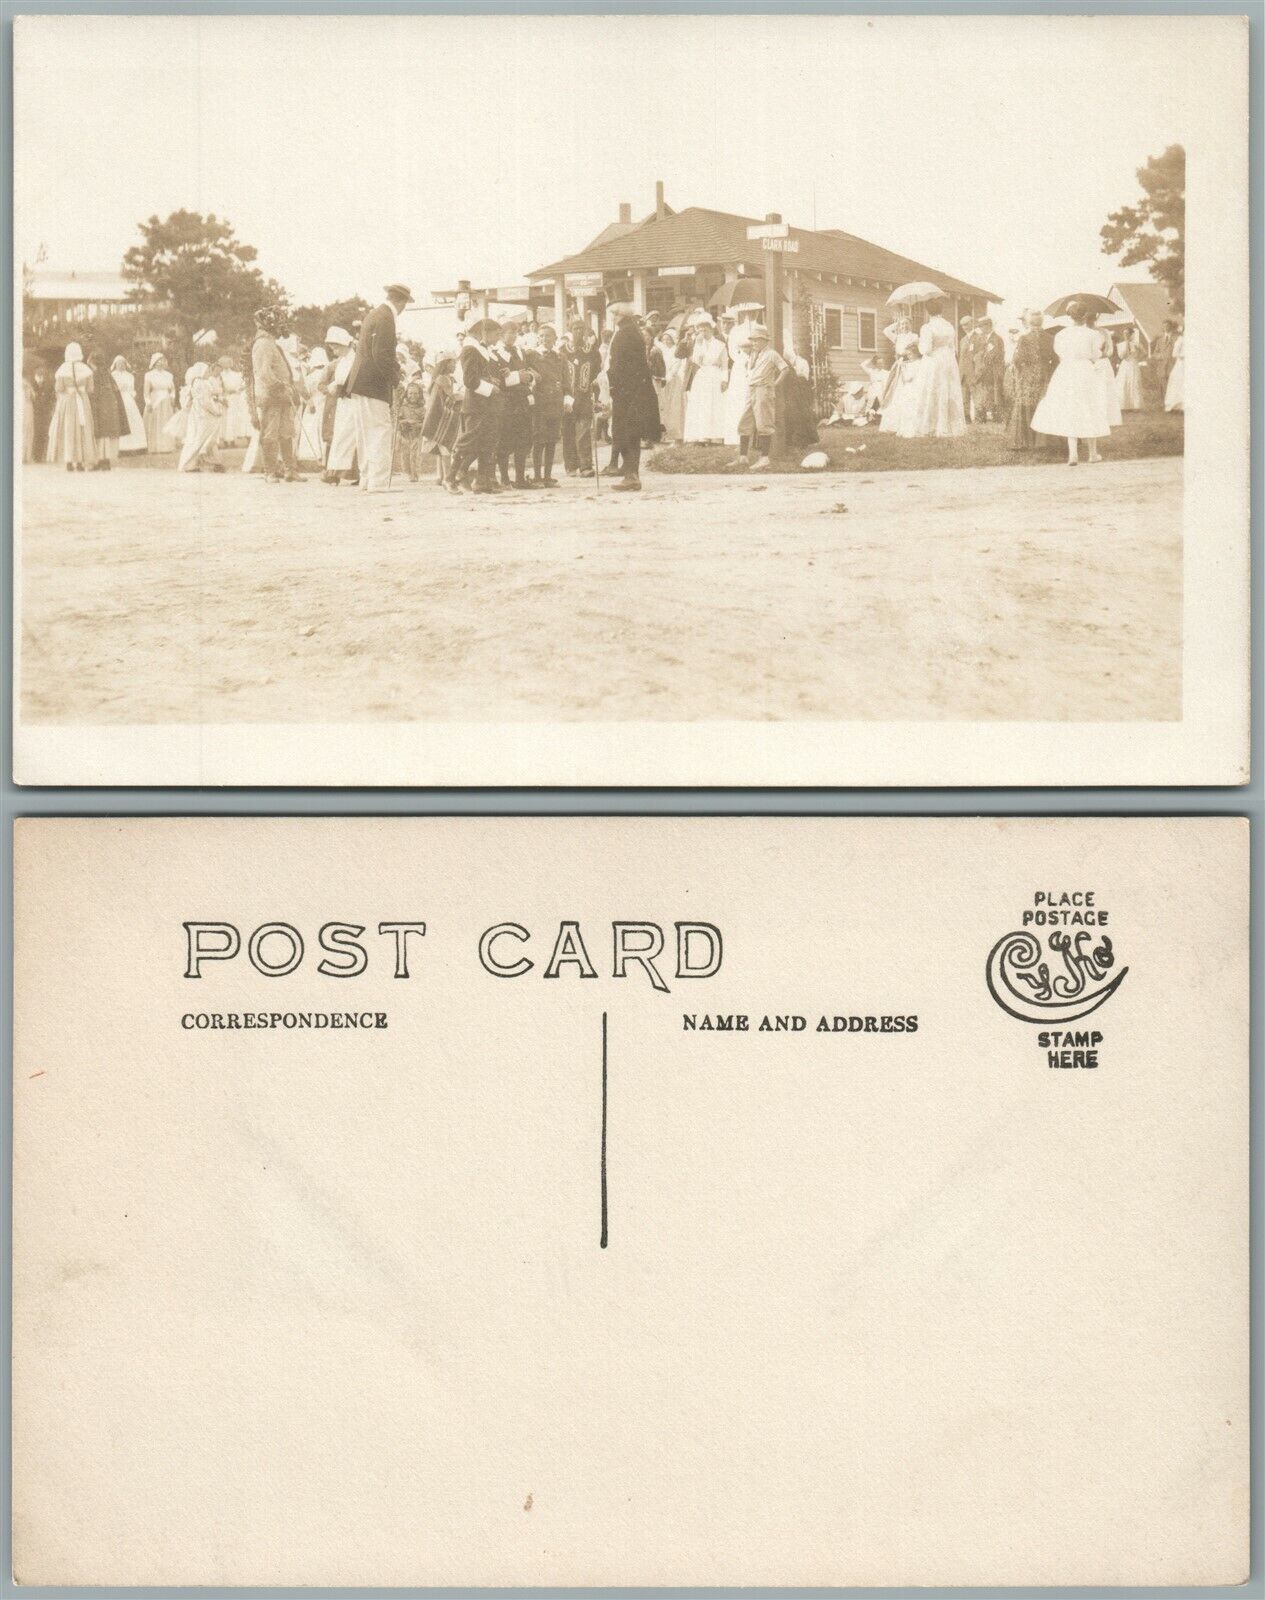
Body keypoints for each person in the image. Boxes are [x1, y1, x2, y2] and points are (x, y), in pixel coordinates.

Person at [345, 282, 410, 492]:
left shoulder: (373, 314)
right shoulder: (387, 317)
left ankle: (366, 478)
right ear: (401, 302)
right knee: (380, 430)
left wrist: (396, 369)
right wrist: (396, 379)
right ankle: (379, 482)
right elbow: (381, 354)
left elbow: (377, 351)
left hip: (359, 382)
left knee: (365, 432)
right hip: (373, 384)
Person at [1030, 299, 1113, 464]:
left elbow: (1059, 352)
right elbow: (1096, 355)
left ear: (1070, 316)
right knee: (1090, 408)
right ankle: (1092, 453)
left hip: (1066, 371)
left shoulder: (1061, 335)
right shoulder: (1093, 334)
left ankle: (1073, 454)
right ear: (1085, 317)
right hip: (1085, 371)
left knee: (1070, 409)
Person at [606, 308, 661, 491]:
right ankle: (630, 471)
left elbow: (619, 364)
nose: (612, 317)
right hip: (633, 389)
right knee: (630, 431)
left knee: (627, 431)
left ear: (623, 315)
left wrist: (610, 382)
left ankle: (632, 475)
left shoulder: (625, 334)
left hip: (628, 391)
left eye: (615, 314)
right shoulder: (631, 331)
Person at [448, 317, 504, 494]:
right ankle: (449, 478)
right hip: (476, 405)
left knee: (487, 443)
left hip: (486, 405)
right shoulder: (470, 349)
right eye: (495, 334)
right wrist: (490, 387)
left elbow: (479, 375)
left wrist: (490, 380)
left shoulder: (480, 349)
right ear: (482, 331)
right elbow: (470, 380)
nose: (497, 338)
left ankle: (482, 482)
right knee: (468, 442)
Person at [251, 305, 303, 483]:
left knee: (287, 432)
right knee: (270, 434)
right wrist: (280, 386)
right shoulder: (263, 344)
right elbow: (263, 372)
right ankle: (270, 472)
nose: (282, 327)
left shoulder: (271, 343)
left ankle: (290, 470)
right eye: (279, 322)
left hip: (282, 396)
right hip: (271, 396)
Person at [907, 299, 966, 438]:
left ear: (928, 311)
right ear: (941, 310)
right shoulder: (949, 326)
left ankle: (930, 426)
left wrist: (918, 342)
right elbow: (952, 347)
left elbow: (925, 350)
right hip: (948, 360)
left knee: (931, 391)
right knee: (947, 390)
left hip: (933, 361)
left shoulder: (927, 327)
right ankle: (948, 425)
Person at [730, 323, 786, 470]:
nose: (753, 343)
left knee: (763, 423)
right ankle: (743, 457)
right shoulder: (755, 354)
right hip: (752, 389)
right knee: (745, 421)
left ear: (764, 341)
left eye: (756, 340)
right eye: (752, 340)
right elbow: (741, 346)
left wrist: (774, 384)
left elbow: (785, 369)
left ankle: (764, 458)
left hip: (764, 390)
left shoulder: (772, 354)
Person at [526, 324, 571, 486]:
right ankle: (537, 476)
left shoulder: (561, 357)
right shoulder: (531, 355)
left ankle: (547, 476)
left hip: (556, 402)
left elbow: (567, 381)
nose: (544, 339)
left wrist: (567, 401)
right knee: (539, 439)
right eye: (541, 336)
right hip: (539, 403)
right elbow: (525, 373)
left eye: (548, 336)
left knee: (552, 439)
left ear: (555, 339)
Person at [492, 320, 535, 488]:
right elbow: (500, 379)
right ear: (502, 334)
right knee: (505, 440)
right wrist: (519, 377)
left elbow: (529, 372)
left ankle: (520, 478)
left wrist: (528, 377)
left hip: (522, 401)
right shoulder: (496, 353)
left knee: (523, 440)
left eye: (516, 332)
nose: (513, 336)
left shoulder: (520, 351)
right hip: (506, 402)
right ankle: (504, 477)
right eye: (510, 332)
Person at [1005, 310, 1052, 451]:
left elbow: (1018, 360)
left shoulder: (1024, 338)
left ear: (1029, 322)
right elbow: (1054, 360)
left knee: (1026, 405)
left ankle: (1026, 441)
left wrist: (1020, 373)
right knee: (1042, 405)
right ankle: (1045, 441)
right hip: (1044, 375)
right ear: (1042, 322)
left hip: (1028, 376)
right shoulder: (1050, 337)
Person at [46, 342, 97, 469]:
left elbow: (58, 388)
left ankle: (69, 461)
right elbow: (90, 389)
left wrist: (69, 389)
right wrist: (81, 388)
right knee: (82, 428)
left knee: (68, 429)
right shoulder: (86, 369)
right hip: (82, 400)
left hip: (67, 401)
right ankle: (80, 462)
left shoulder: (62, 369)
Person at [562, 321, 600, 476]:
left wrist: (595, 392)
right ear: (570, 331)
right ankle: (571, 466)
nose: (578, 332)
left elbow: (597, 373)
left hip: (584, 395)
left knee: (584, 430)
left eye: (581, 329)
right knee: (568, 430)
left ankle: (585, 466)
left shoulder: (592, 351)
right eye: (575, 329)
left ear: (585, 331)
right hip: (568, 396)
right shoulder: (563, 351)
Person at [683, 313, 728, 443]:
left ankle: (714, 436)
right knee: (701, 404)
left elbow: (724, 363)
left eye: (705, 328)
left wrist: (724, 379)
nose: (703, 331)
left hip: (715, 375)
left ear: (711, 328)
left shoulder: (720, 344)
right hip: (702, 375)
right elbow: (696, 361)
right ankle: (701, 435)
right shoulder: (698, 343)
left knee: (714, 404)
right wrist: (698, 344)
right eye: (701, 328)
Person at [176, 361, 227, 472]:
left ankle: (215, 462)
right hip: (202, 416)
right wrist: (216, 411)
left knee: (206, 438)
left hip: (202, 414)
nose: (209, 372)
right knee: (199, 439)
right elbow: (205, 401)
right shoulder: (200, 383)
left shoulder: (202, 382)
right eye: (207, 370)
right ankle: (188, 464)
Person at [879, 316, 923, 436]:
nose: (904, 326)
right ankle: (893, 424)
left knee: (908, 392)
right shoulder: (897, 337)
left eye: (907, 324)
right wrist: (897, 324)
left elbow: (918, 350)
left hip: (911, 364)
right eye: (902, 324)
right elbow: (886, 331)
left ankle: (907, 423)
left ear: (911, 325)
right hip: (899, 366)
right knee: (895, 393)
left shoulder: (914, 337)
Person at [421, 352, 460, 486]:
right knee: (445, 446)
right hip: (441, 415)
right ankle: (447, 478)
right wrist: (464, 396)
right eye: (453, 362)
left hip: (436, 414)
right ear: (446, 364)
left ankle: (440, 475)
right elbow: (451, 397)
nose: (455, 365)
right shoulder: (444, 379)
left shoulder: (437, 377)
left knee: (439, 446)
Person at [87, 351, 127, 469]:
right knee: (107, 434)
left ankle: (101, 460)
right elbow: (115, 390)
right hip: (110, 407)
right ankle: (106, 461)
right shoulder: (107, 374)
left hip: (100, 407)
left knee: (100, 435)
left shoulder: (95, 374)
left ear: (93, 362)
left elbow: (93, 392)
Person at [969, 318, 1005, 422]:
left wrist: (980, 358)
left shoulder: (996, 339)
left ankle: (997, 418)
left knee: (995, 395)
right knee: (985, 395)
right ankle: (982, 418)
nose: (980, 329)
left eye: (981, 326)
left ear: (988, 325)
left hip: (993, 372)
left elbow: (991, 356)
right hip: (985, 372)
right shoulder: (983, 339)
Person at [110, 356, 148, 453]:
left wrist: (132, 396)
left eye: (123, 363)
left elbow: (132, 389)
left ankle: (135, 446)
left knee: (133, 420)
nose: (121, 365)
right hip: (117, 399)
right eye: (119, 364)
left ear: (125, 364)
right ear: (115, 365)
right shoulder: (112, 375)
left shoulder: (130, 376)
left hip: (128, 399)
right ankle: (120, 447)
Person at [395, 374, 428, 481]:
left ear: (419, 395)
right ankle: (408, 472)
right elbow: (397, 421)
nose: (413, 396)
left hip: (417, 434)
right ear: (406, 395)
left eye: (415, 393)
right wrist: (405, 422)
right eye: (410, 393)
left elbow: (426, 423)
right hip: (405, 434)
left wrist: (418, 424)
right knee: (405, 455)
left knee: (415, 455)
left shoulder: (422, 409)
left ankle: (415, 474)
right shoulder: (403, 408)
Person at [143, 354, 177, 453]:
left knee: (166, 422)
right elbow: (146, 391)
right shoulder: (149, 375)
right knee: (155, 423)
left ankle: (166, 447)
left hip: (166, 401)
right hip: (155, 400)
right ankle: (155, 447)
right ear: (154, 363)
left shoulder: (169, 375)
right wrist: (148, 402)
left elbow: (172, 390)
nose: (160, 363)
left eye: (162, 361)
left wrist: (172, 398)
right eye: (158, 362)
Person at [220, 357, 252, 443]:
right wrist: (225, 392)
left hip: (237, 398)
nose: (226, 366)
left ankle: (240, 437)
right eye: (224, 364)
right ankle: (228, 440)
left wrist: (237, 390)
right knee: (227, 419)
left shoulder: (236, 374)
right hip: (227, 398)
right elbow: (220, 386)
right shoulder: (220, 375)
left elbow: (243, 385)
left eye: (228, 363)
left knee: (239, 417)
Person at [1114, 328, 1145, 411]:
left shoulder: (1137, 344)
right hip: (1125, 365)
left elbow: (1144, 353)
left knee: (1134, 383)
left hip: (1133, 364)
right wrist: (1127, 343)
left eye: (1128, 334)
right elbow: (1121, 356)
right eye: (1125, 334)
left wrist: (1137, 358)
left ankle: (1135, 406)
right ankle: (1124, 405)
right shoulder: (1120, 345)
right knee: (1123, 382)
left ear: (1132, 334)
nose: (1126, 335)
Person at [1164, 320, 1185, 412]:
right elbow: (1174, 353)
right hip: (1181, 363)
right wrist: (1183, 356)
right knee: (1178, 383)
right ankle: (1176, 405)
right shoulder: (1180, 339)